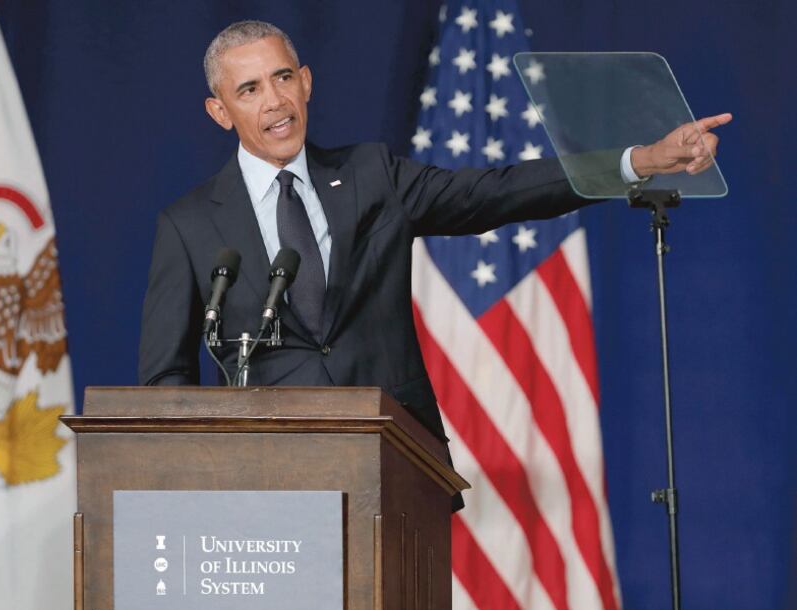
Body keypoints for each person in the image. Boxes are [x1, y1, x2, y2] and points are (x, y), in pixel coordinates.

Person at [138, 20, 729, 462]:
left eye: (283, 77)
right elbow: (164, 378)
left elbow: (494, 192)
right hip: (265, 475)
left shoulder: (370, 174)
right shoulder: (189, 224)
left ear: (306, 82)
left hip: (397, 459)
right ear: (221, 111)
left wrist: (640, 160)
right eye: (249, 90)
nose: (274, 101)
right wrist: (203, 473)